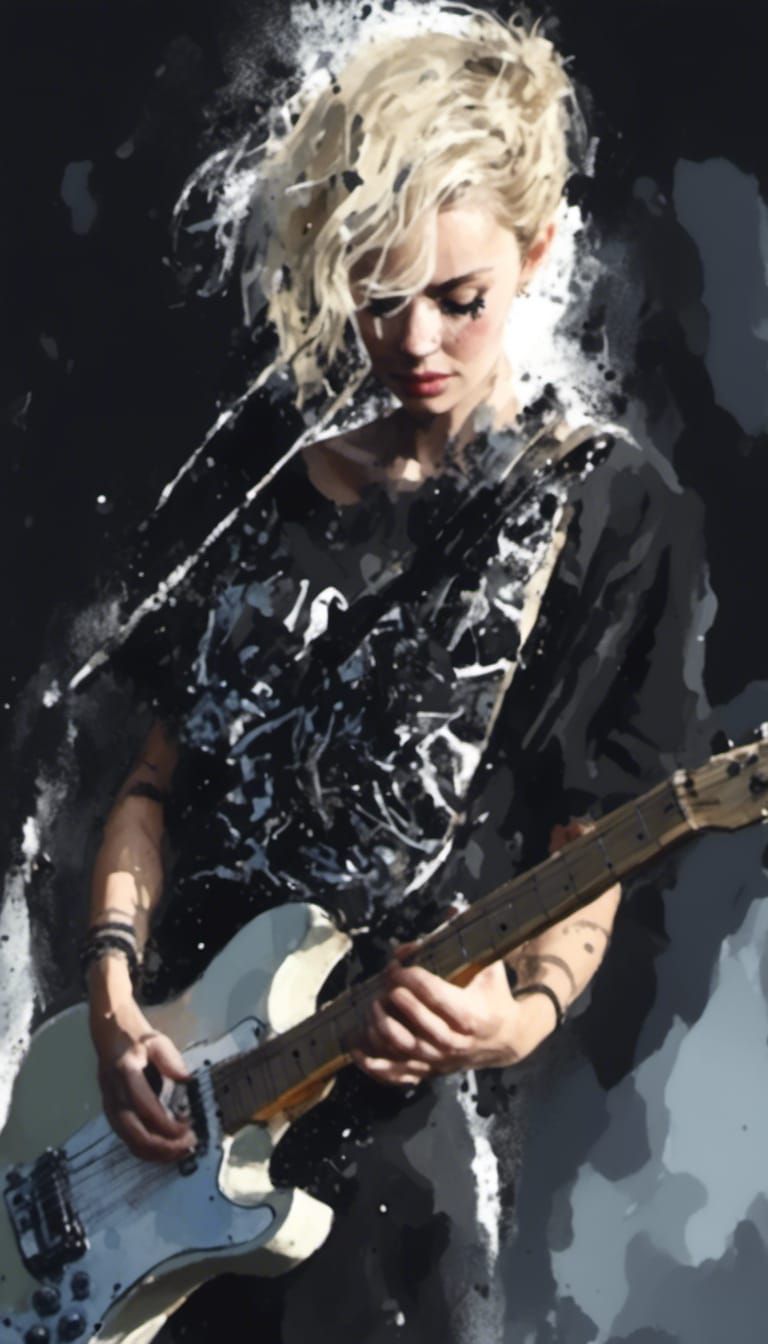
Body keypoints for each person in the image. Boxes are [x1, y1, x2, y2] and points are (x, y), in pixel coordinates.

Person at [84, 8, 708, 1342]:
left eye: (459, 299)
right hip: (138, 1130)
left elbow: (589, 838)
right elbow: (151, 783)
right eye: (377, 299)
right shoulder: (264, 458)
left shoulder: (610, 514)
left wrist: (516, 1020)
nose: (415, 340)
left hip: (377, 1185)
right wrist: (111, 992)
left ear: (537, 255)